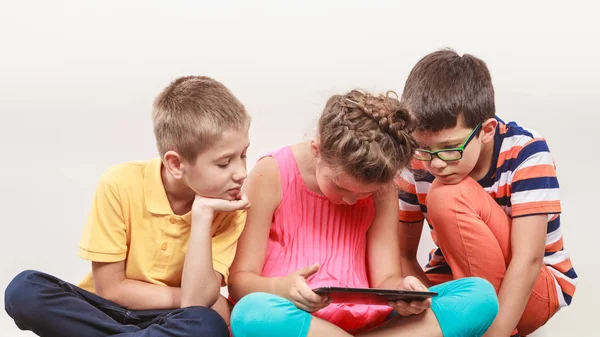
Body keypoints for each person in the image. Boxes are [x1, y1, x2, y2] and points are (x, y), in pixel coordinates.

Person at [228, 89, 498, 337]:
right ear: (317, 150)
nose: (350, 200)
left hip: (369, 322)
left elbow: (386, 277)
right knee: (251, 313)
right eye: (340, 186)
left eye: (364, 194)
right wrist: (282, 289)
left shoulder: (383, 189)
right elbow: (240, 283)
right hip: (299, 320)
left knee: (479, 295)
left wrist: (403, 292)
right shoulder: (271, 173)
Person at [4, 76, 252, 337]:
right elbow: (111, 290)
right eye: (224, 163)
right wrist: (198, 299)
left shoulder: (230, 210)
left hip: (169, 319)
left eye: (244, 155)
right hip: (102, 310)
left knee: (206, 324)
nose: (241, 173)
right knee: (24, 289)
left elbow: (194, 305)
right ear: (176, 164)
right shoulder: (120, 183)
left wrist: (202, 214)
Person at [396, 49, 577, 336]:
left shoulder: (526, 151)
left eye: (451, 148)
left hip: (532, 286)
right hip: (455, 280)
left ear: (488, 130)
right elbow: (403, 255)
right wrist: (423, 306)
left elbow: (527, 260)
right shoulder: (417, 161)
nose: (436, 164)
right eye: (425, 149)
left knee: (447, 195)